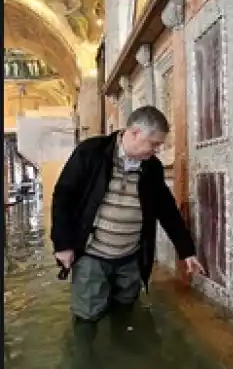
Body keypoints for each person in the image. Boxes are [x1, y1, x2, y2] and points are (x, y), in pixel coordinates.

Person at [51, 106, 205, 324]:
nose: (157, 150)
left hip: (130, 258)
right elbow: (64, 196)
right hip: (92, 254)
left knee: (126, 311)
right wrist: (62, 244)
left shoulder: (152, 168)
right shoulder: (91, 152)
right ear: (134, 133)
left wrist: (186, 250)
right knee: (87, 316)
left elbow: (166, 209)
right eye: (154, 144)